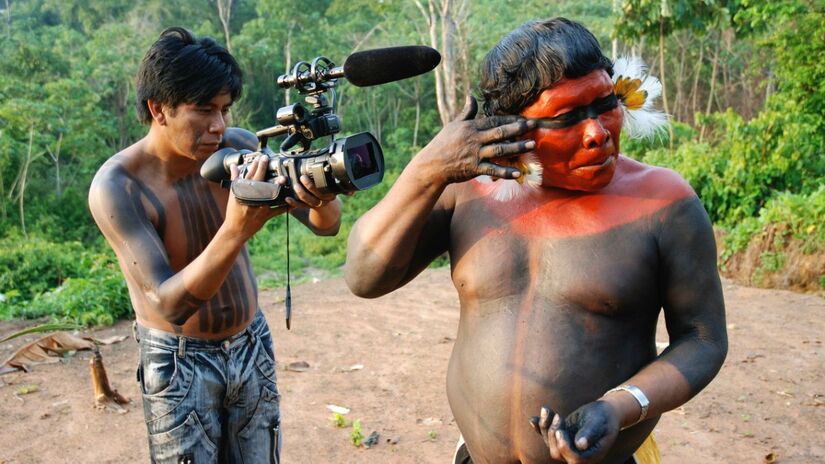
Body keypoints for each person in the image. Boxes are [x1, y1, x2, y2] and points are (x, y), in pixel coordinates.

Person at [345, 18, 727, 464]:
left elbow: (703, 339)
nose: (597, 133)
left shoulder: (662, 203)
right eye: (566, 118)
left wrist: (621, 405)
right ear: (510, 129)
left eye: (605, 104)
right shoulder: (466, 192)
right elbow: (363, 276)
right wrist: (426, 172)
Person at [88, 27, 342, 463]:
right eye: (203, 110)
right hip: (178, 360)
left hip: (250, 342)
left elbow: (326, 225)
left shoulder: (239, 148)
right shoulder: (119, 187)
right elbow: (169, 304)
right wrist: (237, 227)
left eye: (225, 109)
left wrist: (321, 186)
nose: (218, 126)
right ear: (158, 109)